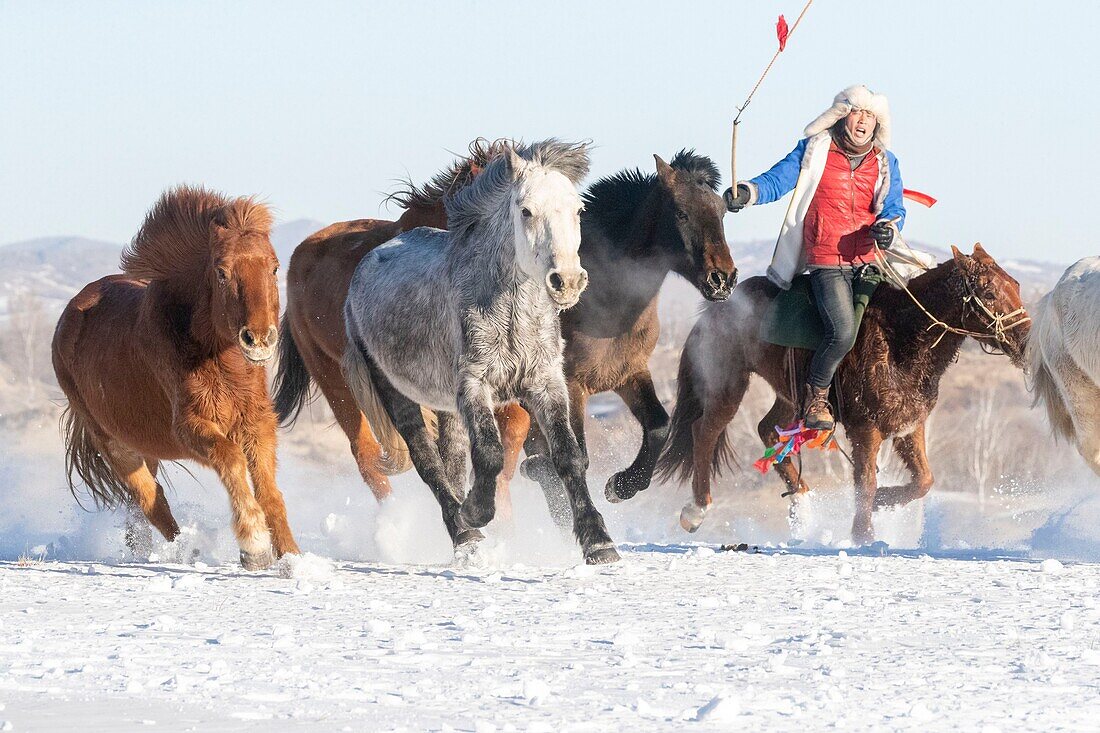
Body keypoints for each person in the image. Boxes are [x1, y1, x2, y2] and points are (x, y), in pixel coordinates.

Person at [724, 84, 906, 430]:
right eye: (857, 112)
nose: (863, 120)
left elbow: (893, 205)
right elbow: (779, 179)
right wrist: (748, 192)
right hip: (828, 260)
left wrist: (889, 226)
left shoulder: (885, 161)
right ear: (842, 115)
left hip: (869, 262)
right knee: (841, 332)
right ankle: (817, 397)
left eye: (870, 115)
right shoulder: (815, 149)